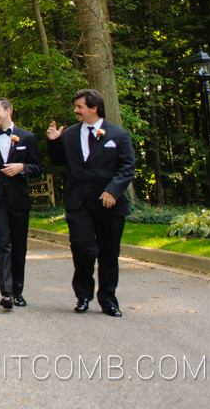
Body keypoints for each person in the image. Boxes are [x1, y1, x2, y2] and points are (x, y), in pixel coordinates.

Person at [46, 88, 136, 317]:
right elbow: (58, 162)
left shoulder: (119, 135)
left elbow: (127, 168)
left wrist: (112, 191)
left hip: (109, 205)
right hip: (79, 204)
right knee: (83, 249)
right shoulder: (69, 134)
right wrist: (54, 142)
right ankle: (83, 296)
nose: (75, 110)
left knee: (109, 254)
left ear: (93, 108)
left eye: (79, 106)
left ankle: (108, 300)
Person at [0, 97, 42, 309]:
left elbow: (37, 167)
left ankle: (17, 291)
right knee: (3, 243)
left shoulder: (27, 137)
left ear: (8, 111)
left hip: (19, 199)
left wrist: (21, 167)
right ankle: (6, 293)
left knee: (19, 246)